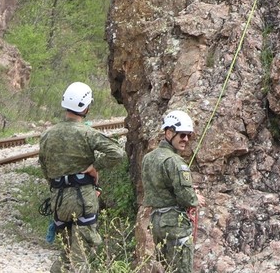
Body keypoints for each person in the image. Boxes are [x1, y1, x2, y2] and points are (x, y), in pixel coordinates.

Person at [37, 82, 124, 273]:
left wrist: (56, 186)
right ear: (85, 107)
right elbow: (117, 153)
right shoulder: (87, 133)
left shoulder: (47, 135)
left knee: (66, 251)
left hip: (59, 201)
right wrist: (94, 167)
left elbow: (44, 167)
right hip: (83, 199)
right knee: (81, 256)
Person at [141, 111, 200, 273]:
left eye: (188, 135)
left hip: (156, 223)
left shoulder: (148, 158)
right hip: (175, 224)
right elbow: (187, 198)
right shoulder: (174, 161)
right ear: (169, 133)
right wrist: (196, 198)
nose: (186, 140)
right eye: (182, 135)